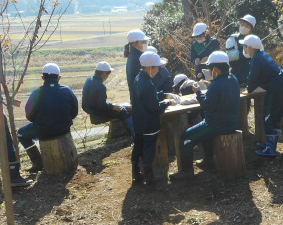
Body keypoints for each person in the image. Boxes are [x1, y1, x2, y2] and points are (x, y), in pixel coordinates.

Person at [169, 51, 240, 181]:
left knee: (185, 137)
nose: (209, 72)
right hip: (231, 121)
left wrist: (198, 92)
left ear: (216, 69)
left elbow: (207, 106)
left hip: (216, 124)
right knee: (203, 132)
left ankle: (186, 171)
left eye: (209, 69)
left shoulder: (216, 84)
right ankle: (208, 161)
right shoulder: (232, 78)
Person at [17, 63, 79, 172]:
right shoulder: (67, 90)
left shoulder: (36, 93)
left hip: (43, 130)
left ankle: (38, 163)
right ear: (59, 78)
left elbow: (29, 115)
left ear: (43, 77)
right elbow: (74, 112)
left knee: (21, 134)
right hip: (64, 129)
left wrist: (40, 122)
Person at [242, 34, 283, 157]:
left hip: (275, 88)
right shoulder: (262, 55)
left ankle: (271, 148)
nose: (244, 49)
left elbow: (253, 78)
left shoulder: (256, 59)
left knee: (268, 115)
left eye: (245, 46)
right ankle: (270, 144)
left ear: (250, 47)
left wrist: (249, 89)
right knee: (276, 116)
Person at [131, 51, 175, 185]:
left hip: (138, 121)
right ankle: (149, 178)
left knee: (138, 146)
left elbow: (150, 96)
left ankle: (136, 173)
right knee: (149, 149)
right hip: (149, 123)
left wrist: (164, 95)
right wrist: (167, 103)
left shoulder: (139, 78)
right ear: (150, 67)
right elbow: (155, 108)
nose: (158, 70)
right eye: (157, 67)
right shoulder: (146, 83)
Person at [81, 61, 134, 136]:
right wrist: (112, 107)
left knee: (119, 106)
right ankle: (135, 134)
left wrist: (112, 106)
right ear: (104, 73)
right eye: (108, 73)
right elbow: (101, 106)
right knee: (123, 111)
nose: (108, 75)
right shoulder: (100, 86)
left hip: (91, 108)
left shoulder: (89, 80)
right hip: (97, 111)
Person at [225, 14, 256, 86]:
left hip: (250, 73)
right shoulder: (232, 38)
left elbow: (259, 53)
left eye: (247, 26)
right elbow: (228, 55)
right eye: (242, 25)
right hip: (235, 71)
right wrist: (243, 54)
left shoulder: (254, 39)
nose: (243, 27)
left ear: (251, 29)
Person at [125, 29, 149, 100]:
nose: (146, 43)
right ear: (134, 44)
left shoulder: (133, 56)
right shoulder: (138, 58)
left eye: (146, 41)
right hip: (140, 99)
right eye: (143, 42)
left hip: (137, 97)